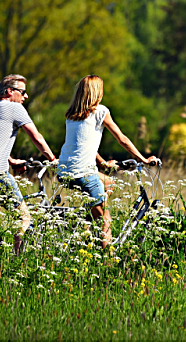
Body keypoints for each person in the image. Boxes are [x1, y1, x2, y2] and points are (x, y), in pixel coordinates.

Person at [57, 75, 159, 247]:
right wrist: (143, 159)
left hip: (64, 170)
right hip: (84, 172)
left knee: (109, 182)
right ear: (97, 93)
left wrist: (102, 163)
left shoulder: (72, 115)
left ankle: (87, 226)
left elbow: (83, 144)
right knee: (106, 220)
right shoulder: (101, 111)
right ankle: (107, 263)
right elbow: (122, 139)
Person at [0, 75, 58, 254]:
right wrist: (53, 159)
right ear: (9, 92)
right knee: (23, 217)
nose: (26, 96)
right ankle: (16, 261)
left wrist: (11, 160)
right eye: (22, 92)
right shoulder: (15, 108)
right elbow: (36, 137)